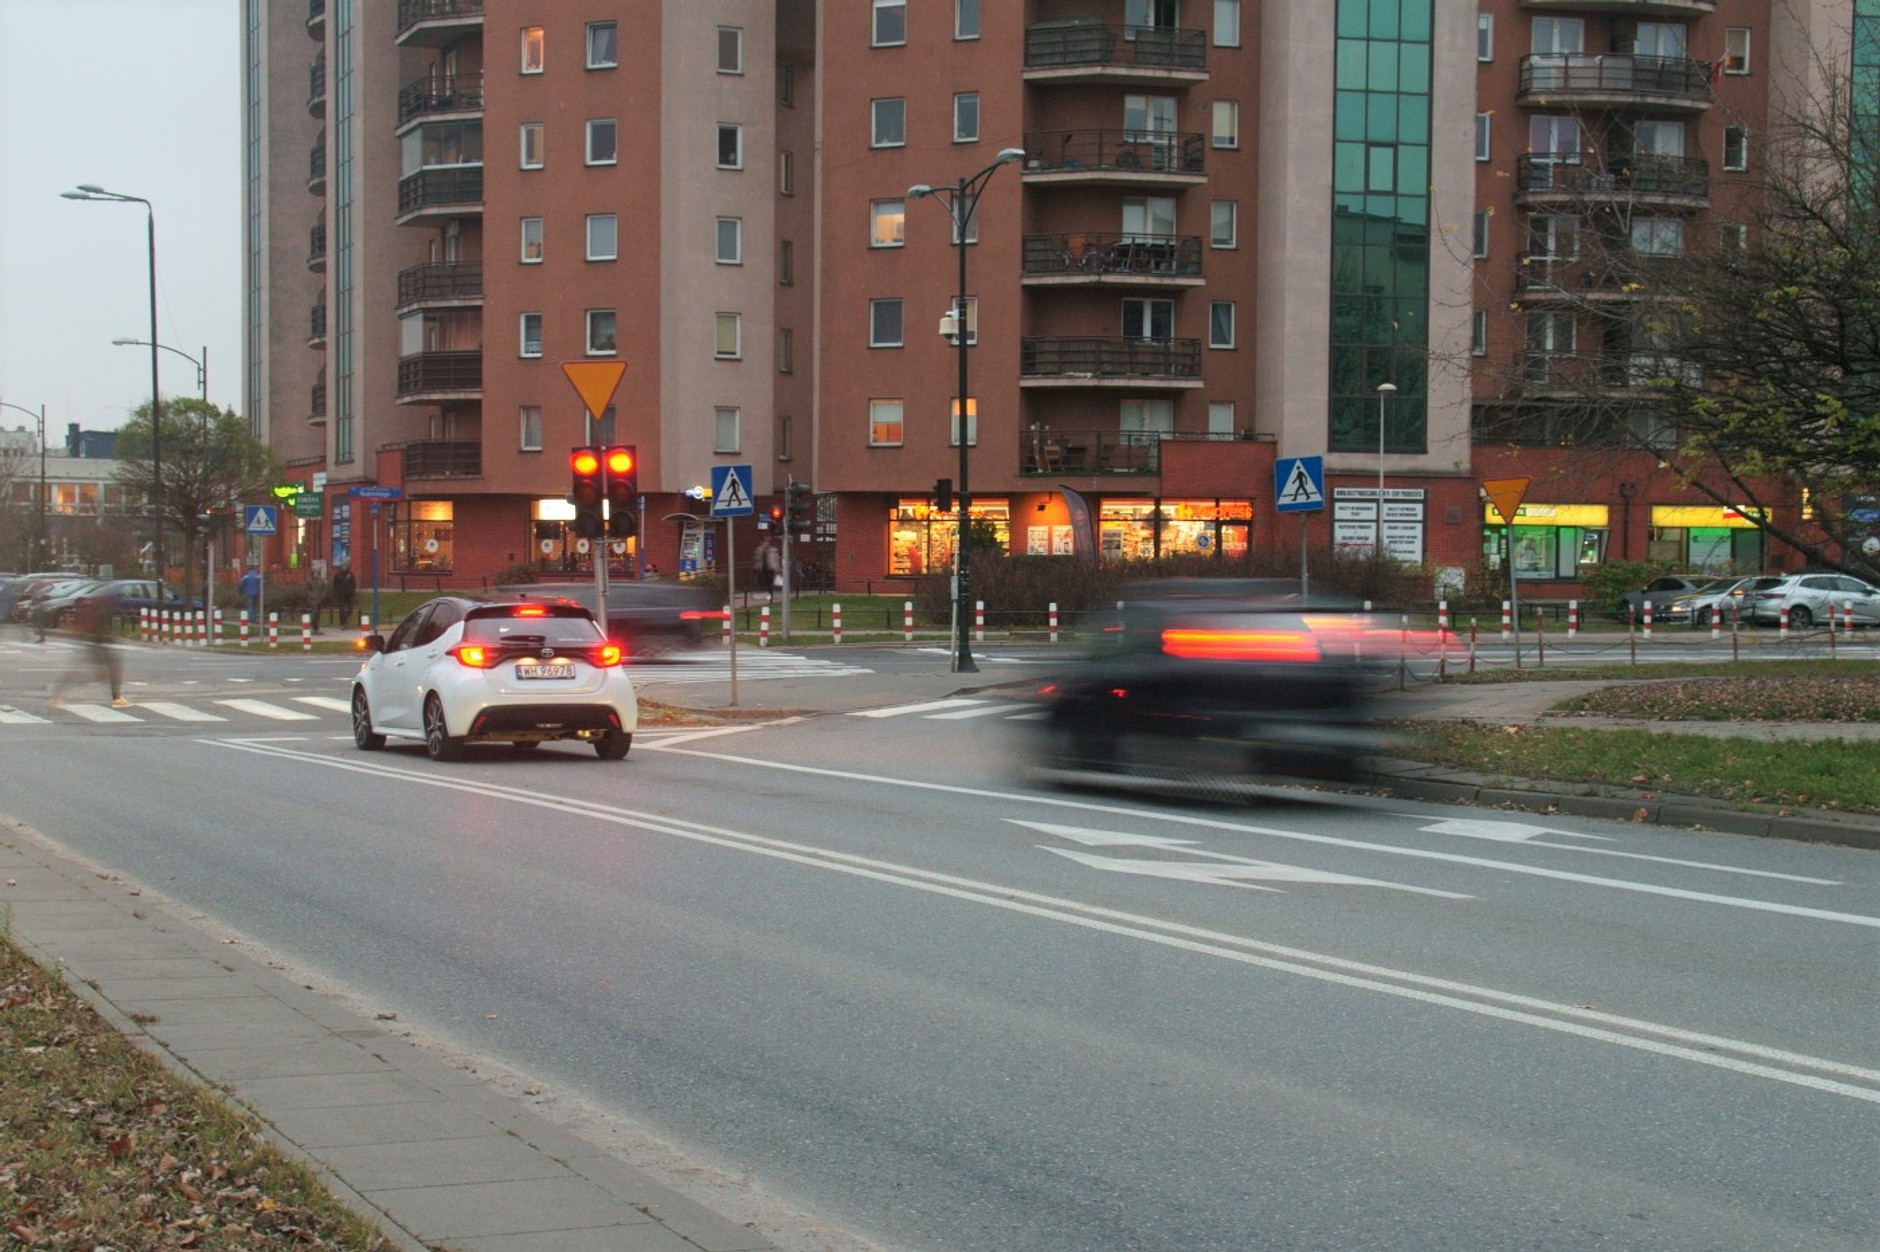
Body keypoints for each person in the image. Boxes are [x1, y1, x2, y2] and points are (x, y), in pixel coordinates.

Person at [49, 592, 127, 708]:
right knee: (111, 669)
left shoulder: (96, 607)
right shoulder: (100, 609)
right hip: (95, 642)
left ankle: (57, 694)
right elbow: (96, 629)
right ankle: (116, 698)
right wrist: (108, 638)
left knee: (107, 669)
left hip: (93, 641)